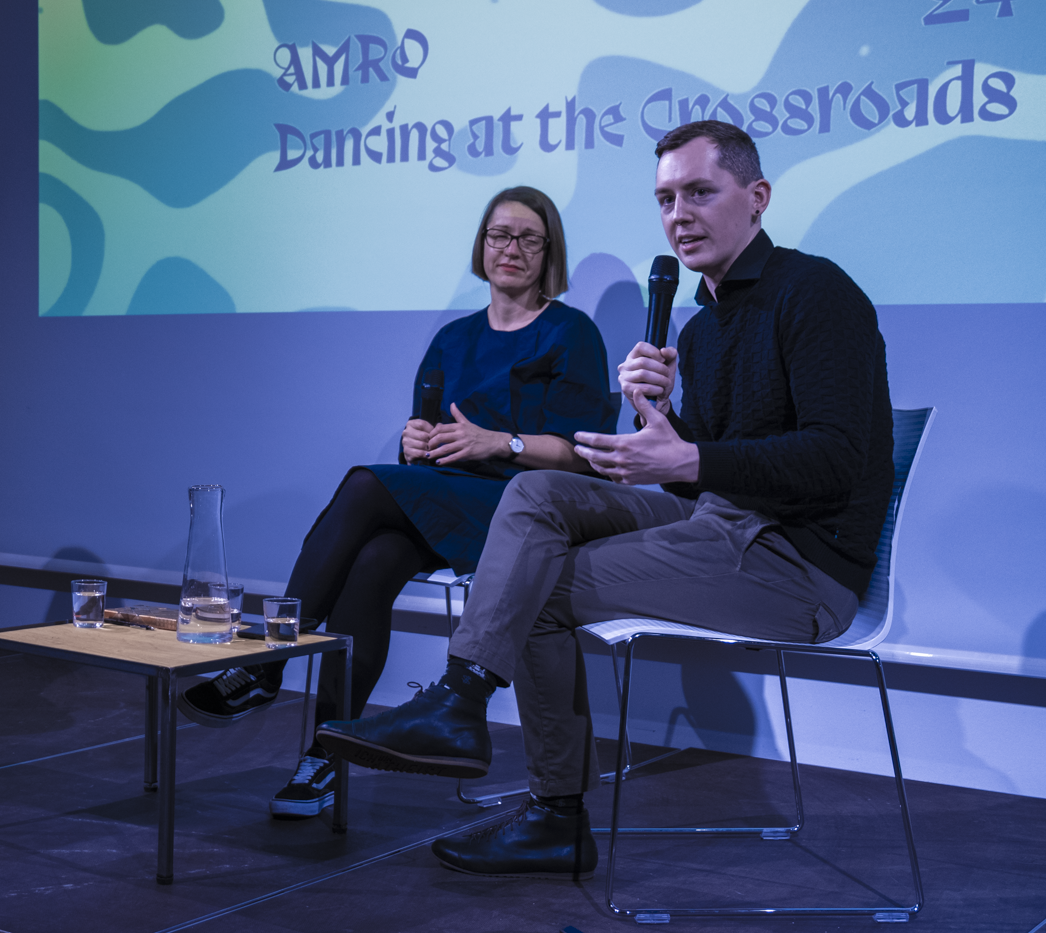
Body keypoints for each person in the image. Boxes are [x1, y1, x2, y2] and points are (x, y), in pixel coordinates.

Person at [313, 120, 893, 878]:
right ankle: (460, 700)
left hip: (797, 564)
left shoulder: (816, 292)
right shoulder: (703, 329)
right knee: (537, 492)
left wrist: (689, 454)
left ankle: (553, 811)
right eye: (665, 199)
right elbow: (703, 473)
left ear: (757, 197)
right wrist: (665, 427)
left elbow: (836, 459)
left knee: (534, 589)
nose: (679, 215)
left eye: (699, 192)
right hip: (720, 523)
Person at [177, 186, 617, 819]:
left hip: (523, 508)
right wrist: (417, 442)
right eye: (499, 235)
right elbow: (426, 443)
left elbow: (581, 456)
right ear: (482, 245)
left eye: (528, 238)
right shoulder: (453, 338)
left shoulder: (571, 332)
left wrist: (500, 441)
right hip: (450, 497)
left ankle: (269, 665)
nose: (511, 249)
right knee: (375, 561)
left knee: (365, 482)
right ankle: (325, 755)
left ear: (549, 252)